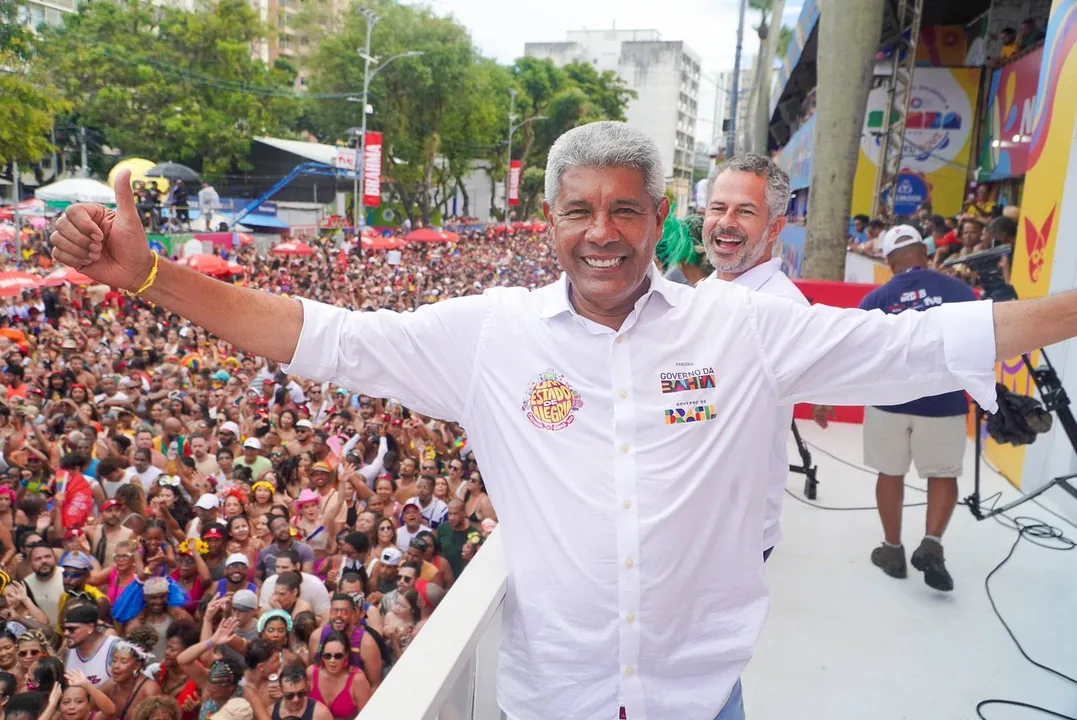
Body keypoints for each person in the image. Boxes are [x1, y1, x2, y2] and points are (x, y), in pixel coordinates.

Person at [49, 119, 1077, 720]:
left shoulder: (747, 330)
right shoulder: (488, 334)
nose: (603, 233)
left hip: (698, 698)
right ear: (550, 221)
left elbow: (927, 343)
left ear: (659, 219)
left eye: (627, 210)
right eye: (580, 210)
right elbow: (319, 335)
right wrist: (148, 274)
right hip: (554, 701)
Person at [699, 153, 812, 562]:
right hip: (690, 519)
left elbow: (704, 407)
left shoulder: (783, 309)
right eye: (718, 208)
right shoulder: (707, 290)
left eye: (745, 211)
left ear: (775, 227)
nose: (726, 222)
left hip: (734, 531)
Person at [858, 225, 979, 592]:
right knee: (942, 474)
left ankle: (892, 551)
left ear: (890, 259)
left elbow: (856, 352)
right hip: (944, 401)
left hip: (889, 401)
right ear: (924, 254)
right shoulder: (962, 292)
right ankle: (932, 544)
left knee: (889, 473)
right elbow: (979, 343)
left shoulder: (878, 297)